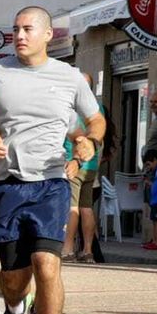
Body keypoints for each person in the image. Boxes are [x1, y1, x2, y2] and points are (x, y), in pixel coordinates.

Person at [0, 6, 106, 314]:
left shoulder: (69, 76)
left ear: (48, 35)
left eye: (28, 28)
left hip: (50, 183)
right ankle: (14, 309)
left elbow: (95, 119)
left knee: (47, 265)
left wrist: (89, 141)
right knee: (14, 277)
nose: (20, 35)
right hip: (5, 184)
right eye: (16, 29)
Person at [62, 71, 103, 263]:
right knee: (86, 207)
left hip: (74, 161)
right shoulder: (97, 108)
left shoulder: (73, 105)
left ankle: (68, 249)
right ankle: (87, 251)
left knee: (73, 207)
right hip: (91, 163)